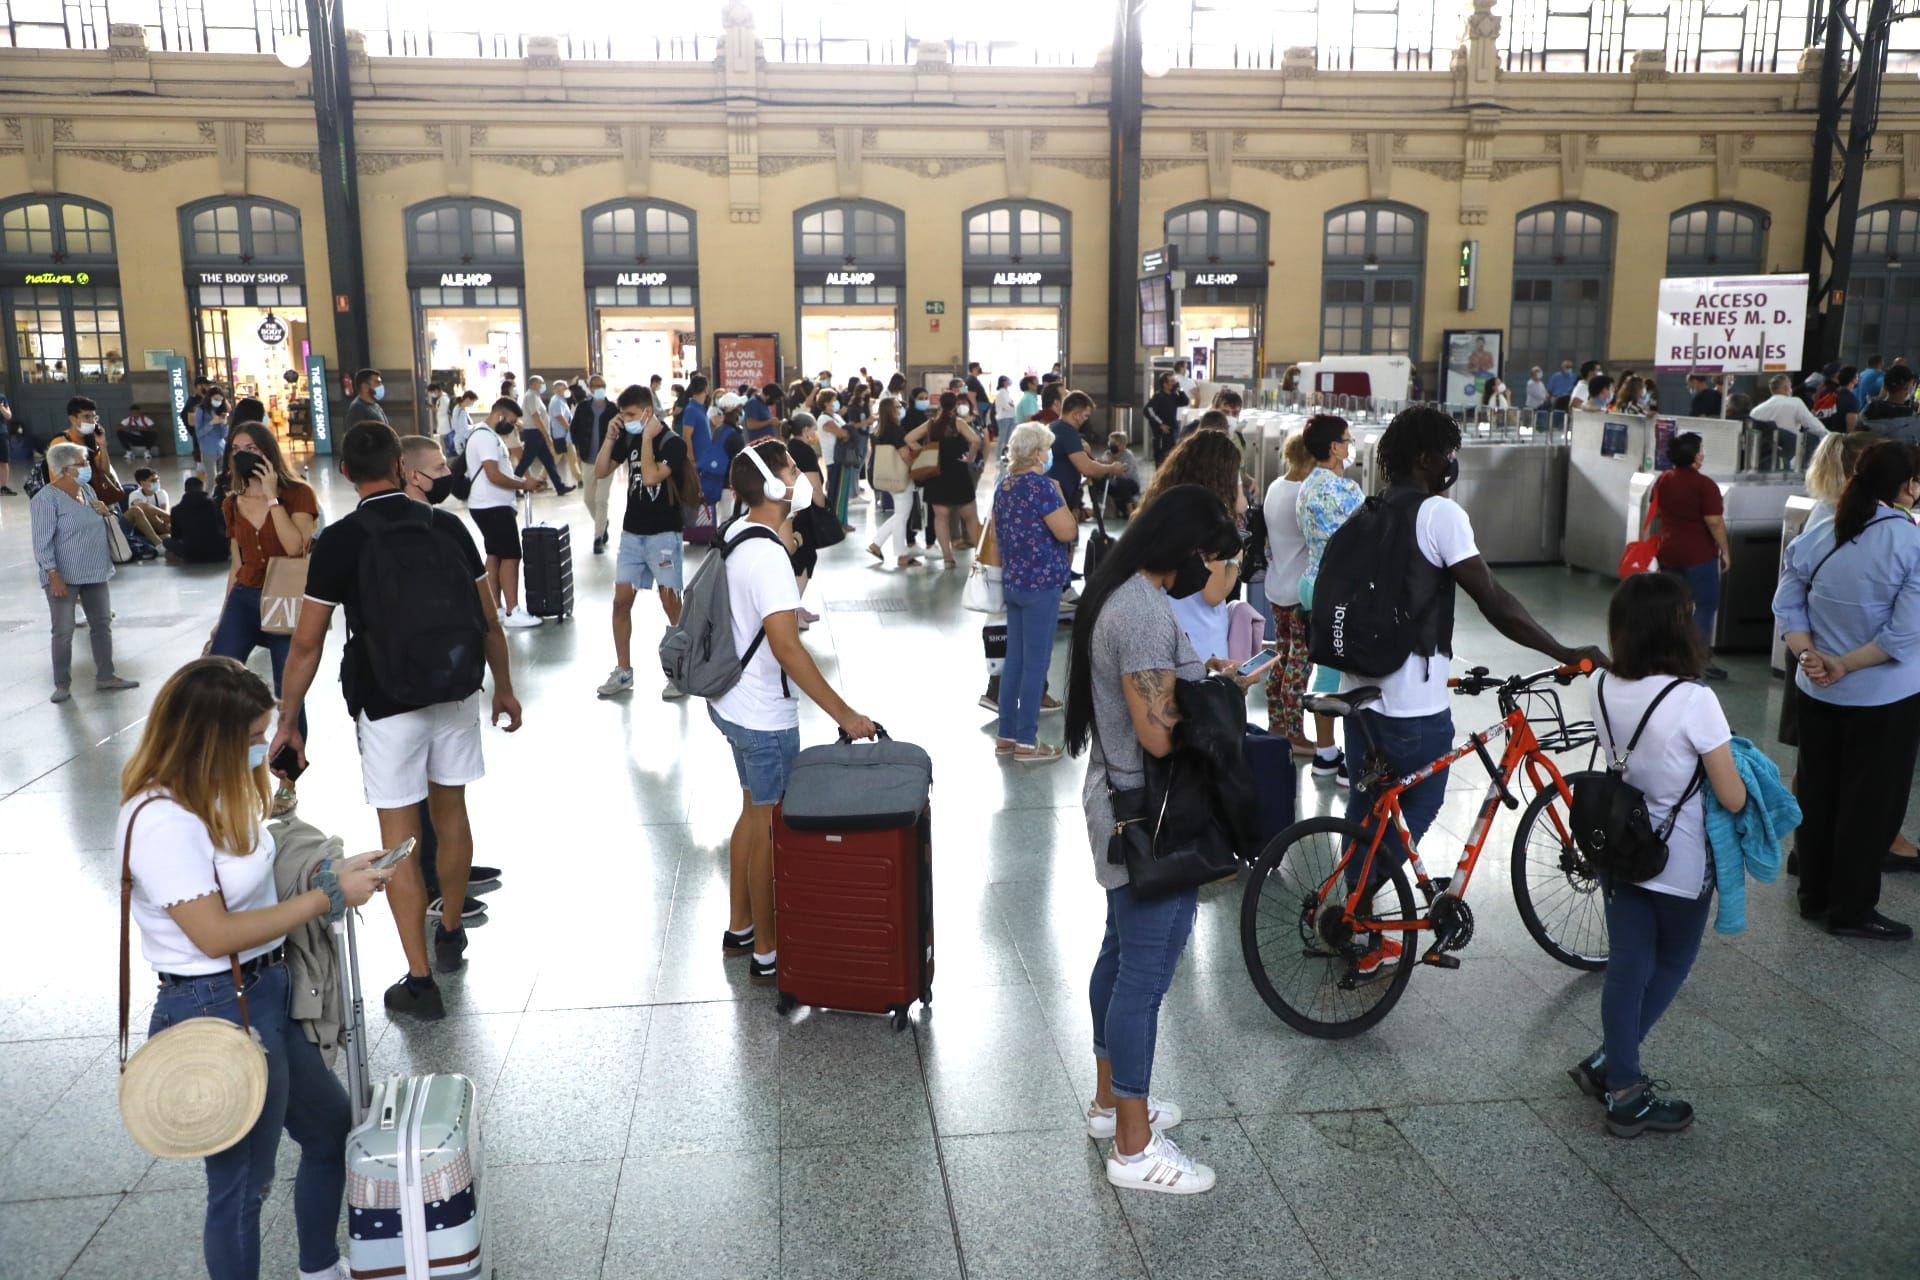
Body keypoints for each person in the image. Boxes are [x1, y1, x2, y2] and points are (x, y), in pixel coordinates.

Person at [121, 657, 393, 1280]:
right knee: (243, 1187)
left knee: (329, 1132)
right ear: (206, 739)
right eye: (249, 741)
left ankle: (320, 1267)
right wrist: (327, 900)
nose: (259, 753)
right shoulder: (161, 821)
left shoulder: (216, 791)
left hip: (267, 992)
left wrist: (329, 873)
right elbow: (214, 935)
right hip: (215, 1007)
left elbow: (258, 881)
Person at [1338, 407, 1607, 977]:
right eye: (1447, 452)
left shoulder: (1369, 511)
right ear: (1424, 459)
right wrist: (1562, 652)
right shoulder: (1439, 514)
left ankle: (1349, 917)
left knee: (1369, 811)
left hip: (1358, 695)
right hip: (1412, 707)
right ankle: (1361, 916)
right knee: (1422, 801)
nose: (1452, 462)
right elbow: (1495, 601)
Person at [273, 420, 524, 1020]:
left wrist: (288, 720)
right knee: (452, 811)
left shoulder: (340, 541)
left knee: (398, 837)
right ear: (398, 463)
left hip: (387, 704)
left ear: (345, 473)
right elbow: (488, 620)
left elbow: (306, 644)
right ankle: (452, 930)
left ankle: (419, 981)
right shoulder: (450, 527)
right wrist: (505, 689)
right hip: (457, 690)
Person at [1064, 484, 1248, 1197]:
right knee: (1145, 974)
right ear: (1185, 549)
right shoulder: (1140, 612)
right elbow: (1155, 731)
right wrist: (1214, 707)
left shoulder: (1127, 595)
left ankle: (1114, 1104)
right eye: (1212, 556)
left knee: (1120, 953)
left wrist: (1201, 679)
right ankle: (1136, 1150)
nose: (1215, 570)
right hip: (1150, 813)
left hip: (1123, 799)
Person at [1567, 573, 1747, 1138]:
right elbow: (1732, 795)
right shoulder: (1695, 700)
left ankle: (1612, 1068)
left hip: (1621, 849)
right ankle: (1624, 1089)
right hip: (1680, 862)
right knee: (1669, 965)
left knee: (1625, 971)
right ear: (1677, 627)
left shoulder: (1600, 687)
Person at [709, 441, 877, 979]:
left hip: (731, 701)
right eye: (791, 470)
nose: (801, 476)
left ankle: (741, 927)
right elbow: (787, 647)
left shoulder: (740, 530)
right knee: (772, 827)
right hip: (763, 715)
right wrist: (844, 714)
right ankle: (769, 951)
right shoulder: (768, 558)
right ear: (775, 484)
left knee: (752, 816)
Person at [1775, 439, 1920, 942]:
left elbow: (1788, 603)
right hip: (1882, 699)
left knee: (1817, 792)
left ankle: (1813, 894)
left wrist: (1810, 655)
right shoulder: (1908, 541)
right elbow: (1902, 635)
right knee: (1869, 804)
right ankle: (1852, 909)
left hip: (1816, 694)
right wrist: (1842, 664)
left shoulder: (1823, 530)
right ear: (1909, 487)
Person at [210, 423, 321, 812]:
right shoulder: (231, 502)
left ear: (268, 452)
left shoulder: (298, 494)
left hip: (287, 601)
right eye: (237, 448)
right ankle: (222, 770)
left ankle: (287, 780)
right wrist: (220, 619)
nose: (245, 454)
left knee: (290, 692)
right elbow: (236, 565)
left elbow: (295, 547)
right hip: (245, 598)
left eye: (253, 447)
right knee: (214, 677)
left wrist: (273, 499)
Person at [596, 385, 698, 700]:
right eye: (621, 415)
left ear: (647, 412)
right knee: (620, 601)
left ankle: (682, 670)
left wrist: (647, 438)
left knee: (669, 600)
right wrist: (611, 437)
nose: (624, 420)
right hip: (632, 535)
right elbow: (601, 471)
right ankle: (623, 670)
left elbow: (652, 477)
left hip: (664, 535)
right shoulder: (626, 438)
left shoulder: (672, 442)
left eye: (629, 415)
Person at [993, 422, 1078, 762]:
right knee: (1036, 662)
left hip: (1014, 582)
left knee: (1014, 661)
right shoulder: (1041, 487)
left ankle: (1006, 734)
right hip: (1041, 585)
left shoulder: (1005, 485)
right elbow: (1067, 531)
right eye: (1047, 448)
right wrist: (1058, 495)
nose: (1049, 453)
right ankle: (1027, 741)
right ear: (1037, 452)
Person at [31, 440, 139, 702]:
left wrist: (105, 513)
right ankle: (62, 683)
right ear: (65, 469)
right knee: (64, 631)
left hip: (95, 570)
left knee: (102, 624)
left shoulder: (88, 491)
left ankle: (106, 675)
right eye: (82, 463)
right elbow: (41, 542)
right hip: (63, 576)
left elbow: (100, 522)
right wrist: (52, 574)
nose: (87, 467)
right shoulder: (46, 499)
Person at [1138, 430, 1247, 660]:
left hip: (1163, 627)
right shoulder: (1208, 521)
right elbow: (1214, 593)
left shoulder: (1159, 505)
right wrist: (1235, 563)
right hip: (1202, 638)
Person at [1296, 414, 1363, 782]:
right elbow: (1362, 540)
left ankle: (1325, 754)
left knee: (1326, 667)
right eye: (1348, 441)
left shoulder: (1306, 485)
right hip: (1340, 590)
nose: (1350, 447)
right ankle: (1350, 761)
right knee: (1349, 675)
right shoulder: (1346, 490)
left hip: (1312, 582)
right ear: (1335, 447)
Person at [1262, 430, 1331, 756]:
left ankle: (1276, 724)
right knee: (1299, 664)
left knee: (1281, 654)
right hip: (1299, 591)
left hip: (1277, 585)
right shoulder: (1304, 494)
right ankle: (1295, 734)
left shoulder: (1276, 486)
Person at [1651, 432, 1730, 680]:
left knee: (1674, 606)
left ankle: (1668, 658)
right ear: (1696, 456)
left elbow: (1657, 512)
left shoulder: (1663, 480)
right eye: (1701, 450)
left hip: (1669, 552)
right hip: (1699, 556)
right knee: (1704, 607)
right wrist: (1726, 551)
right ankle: (1699, 661)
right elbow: (1714, 522)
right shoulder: (1705, 485)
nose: (1703, 454)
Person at [464, 397, 546, 629]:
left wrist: (523, 481)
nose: (512, 425)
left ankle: (495, 608)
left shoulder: (486, 435)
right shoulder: (486, 437)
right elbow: (493, 475)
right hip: (492, 506)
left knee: (495, 555)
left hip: (488, 505)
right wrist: (523, 485)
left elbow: (500, 471)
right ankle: (512, 610)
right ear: (500, 414)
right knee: (511, 555)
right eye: (511, 420)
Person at [904, 391, 982, 568]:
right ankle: (980, 556)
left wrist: (924, 452)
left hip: (936, 473)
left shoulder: (931, 424)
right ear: (955, 405)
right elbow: (976, 440)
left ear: (940, 405)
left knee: (941, 517)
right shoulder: (959, 423)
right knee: (970, 516)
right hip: (958, 473)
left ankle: (947, 558)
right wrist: (970, 457)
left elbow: (908, 438)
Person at [1047, 390, 1128, 529]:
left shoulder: (1054, 426)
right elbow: (1087, 468)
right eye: (1085, 415)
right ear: (1076, 414)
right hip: (1060, 497)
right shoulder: (1068, 432)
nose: (1086, 420)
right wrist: (1112, 468)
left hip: (1058, 494)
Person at [866, 396, 921, 568]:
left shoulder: (878, 430)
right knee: (902, 516)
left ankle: (876, 545)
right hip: (901, 477)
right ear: (891, 410)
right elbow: (904, 454)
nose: (900, 409)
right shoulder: (895, 430)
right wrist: (918, 466)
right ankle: (901, 555)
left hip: (887, 476)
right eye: (898, 406)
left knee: (900, 514)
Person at [572, 375, 620, 553]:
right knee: (588, 499)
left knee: (601, 499)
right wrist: (578, 449)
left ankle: (598, 537)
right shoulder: (583, 408)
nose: (599, 388)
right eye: (595, 386)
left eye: (602, 385)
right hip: (587, 459)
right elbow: (574, 429)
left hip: (607, 461)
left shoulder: (612, 409)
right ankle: (603, 522)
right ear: (590, 389)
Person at [1750, 373, 1828, 463]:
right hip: (1790, 456)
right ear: (1786, 388)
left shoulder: (1756, 410)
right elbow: (1813, 425)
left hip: (1763, 458)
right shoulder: (1795, 403)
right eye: (1790, 387)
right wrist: (1829, 435)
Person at [516, 374, 574, 496]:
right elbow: (536, 417)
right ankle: (513, 486)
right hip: (534, 433)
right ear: (534, 383)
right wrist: (547, 435)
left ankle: (560, 487)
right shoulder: (530, 396)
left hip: (538, 433)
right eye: (541, 383)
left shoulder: (536, 396)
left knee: (549, 462)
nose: (543, 386)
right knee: (526, 461)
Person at [59, 396, 122, 506]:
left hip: (94, 495)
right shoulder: (61, 442)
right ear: (73, 419)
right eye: (86, 417)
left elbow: (105, 472)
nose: (92, 421)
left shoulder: (90, 440)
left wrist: (102, 444)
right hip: (74, 499)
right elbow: (60, 481)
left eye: (94, 417)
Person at [165, 474, 229, 562]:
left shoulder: (176, 510)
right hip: (219, 552)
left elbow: (176, 536)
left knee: (166, 541)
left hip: (192, 554)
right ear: (201, 488)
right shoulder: (213, 505)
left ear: (185, 490)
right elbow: (224, 526)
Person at [1144, 371, 1187, 463]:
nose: (1173, 383)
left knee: (1171, 458)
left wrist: (1180, 389)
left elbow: (1185, 401)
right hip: (1161, 435)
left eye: (1174, 381)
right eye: (1171, 381)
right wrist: (1160, 425)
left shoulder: (1174, 395)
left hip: (1173, 432)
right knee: (1161, 459)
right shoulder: (1158, 396)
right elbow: (1148, 411)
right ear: (1165, 384)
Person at [125, 467, 172, 545]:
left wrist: (166, 517)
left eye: (158, 479)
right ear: (142, 483)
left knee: (168, 535)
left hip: (160, 526)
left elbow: (165, 514)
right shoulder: (135, 495)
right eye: (153, 481)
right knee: (144, 508)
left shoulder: (162, 493)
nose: (157, 482)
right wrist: (166, 515)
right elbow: (142, 507)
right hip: (142, 529)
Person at [1101, 431, 1142, 517]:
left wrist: (1112, 465)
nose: (1111, 445)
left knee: (1121, 481)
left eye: (1114, 443)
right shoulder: (1107, 454)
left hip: (1130, 484)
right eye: (1110, 442)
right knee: (1097, 480)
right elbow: (1102, 469)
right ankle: (1103, 507)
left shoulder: (1128, 456)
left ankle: (1130, 510)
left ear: (1122, 445)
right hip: (1113, 483)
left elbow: (1125, 475)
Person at [546, 376, 577, 484]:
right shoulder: (556, 401)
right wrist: (569, 427)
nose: (566, 390)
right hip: (561, 435)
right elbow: (559, 417)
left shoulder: (561, 400)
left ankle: (580, 478)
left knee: (572, 459)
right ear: (559, 390)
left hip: (565, 435)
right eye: (565, 388)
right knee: (554, 459)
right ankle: (541, 478)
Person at [993, 375, 1019, 440]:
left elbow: (1010, 404)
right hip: (1004, 418)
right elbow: (1007, 406)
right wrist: (1013, 406)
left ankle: (1005, 450)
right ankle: (1000, 450)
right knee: (1003, 438)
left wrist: (1012, 405)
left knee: (1008, 438)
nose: (1009, 382)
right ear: (1003, 382)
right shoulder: (1001, 393)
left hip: (1008, 417)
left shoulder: (1005, 392)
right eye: (1007, 380)